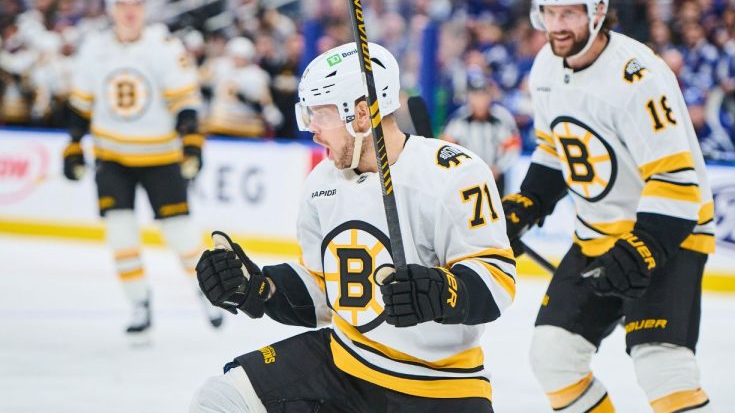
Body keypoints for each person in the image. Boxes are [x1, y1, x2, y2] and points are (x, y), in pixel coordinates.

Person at [190, 42, 517, 413]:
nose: (311, 128)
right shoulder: (321, 184)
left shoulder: (454, 173)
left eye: (320, 114)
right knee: (220, 399)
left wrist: (442, 292)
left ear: (361, 114)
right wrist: (259, 287)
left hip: (440, 386)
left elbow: (498, 281)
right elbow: (326, 291)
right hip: (344, 363)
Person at [502, 0, 715, 412]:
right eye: (550, 13)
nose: (556, 26)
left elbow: (674, 177)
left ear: (598, 11)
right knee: (553, 355)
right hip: (596, 235)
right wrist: (528, 204)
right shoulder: (545, 66)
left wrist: (642, 250)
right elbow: (555, 148)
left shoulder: (638, 74)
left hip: (669, 234)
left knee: (661, 365)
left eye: (569, 14)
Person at [62, 0, 222, 336]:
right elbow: (80, 105)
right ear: (111, 9)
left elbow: (185, 103)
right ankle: (138, 303)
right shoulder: (94, 48)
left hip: (161, 155)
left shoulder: (163, 46)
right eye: (122, 5)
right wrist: (73, 145)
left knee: (181, 235)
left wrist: (191, 142)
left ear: (145, 7)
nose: (129, 11)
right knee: (120, 235)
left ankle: (208, 294)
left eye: (135, 3)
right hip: (112, 155)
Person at [442, 72, 521, 195]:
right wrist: (462, 170)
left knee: (498, 211)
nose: (480, 100)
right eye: (475, 95)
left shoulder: (502, 117)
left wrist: (498, 168)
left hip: (496, 178)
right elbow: (446, 149)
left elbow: (513, 147)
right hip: (466, 179)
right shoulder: (458, 119)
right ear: (469, 97)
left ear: (490, 96)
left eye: (483, 95)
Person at [202, 36, 282, 138]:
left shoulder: (257, 75)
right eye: (235, 56)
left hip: (247, 125)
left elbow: (264, 101)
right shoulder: (219, 66)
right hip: (220, 123)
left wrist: (270, 112)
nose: (237, 60)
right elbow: (200, 82)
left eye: (241, 57)